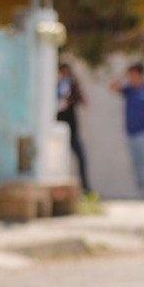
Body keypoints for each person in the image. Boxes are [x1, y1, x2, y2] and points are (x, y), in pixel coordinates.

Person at [110, 63, 144, 200]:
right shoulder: (128, 90)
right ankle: (143, 194)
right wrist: (123, 74)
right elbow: (112, 86)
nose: (130, 77)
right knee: (136, 165)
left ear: (140, 74)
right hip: (131, 134)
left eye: (132, 74)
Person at [56, 62, 90, 193]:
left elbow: (83, 101)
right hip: (58, 128)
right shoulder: (55, 85)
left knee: (80, 157)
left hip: (71, 128)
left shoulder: (71, 86)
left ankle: (85, 187)